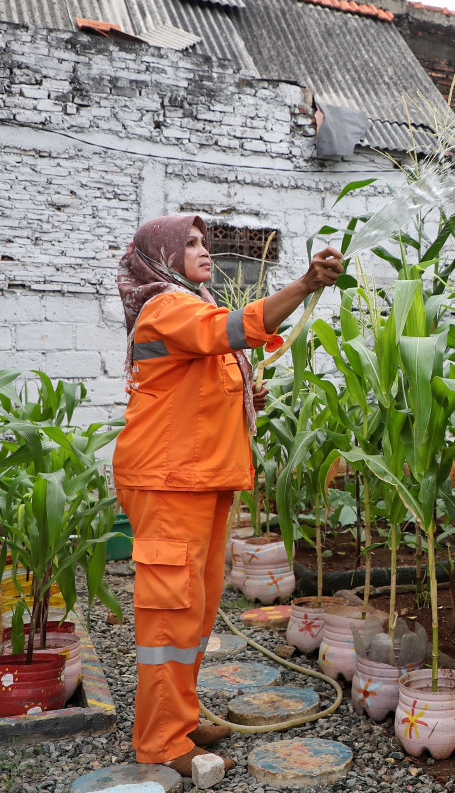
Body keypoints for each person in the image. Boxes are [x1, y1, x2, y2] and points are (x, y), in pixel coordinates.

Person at [112, 214, 342, 778]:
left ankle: (181, 723)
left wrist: (245, 401)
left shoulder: (190, 307)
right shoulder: (168, 306)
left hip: (198, 479)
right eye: (189, 244)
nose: (203, 251)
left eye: (204, 242)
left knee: (196, 611)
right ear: (161, 257)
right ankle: (161, 743)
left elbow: (196, 385)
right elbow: (232, 330)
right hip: (170, 483)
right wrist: (305, 284)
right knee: (170, 616)